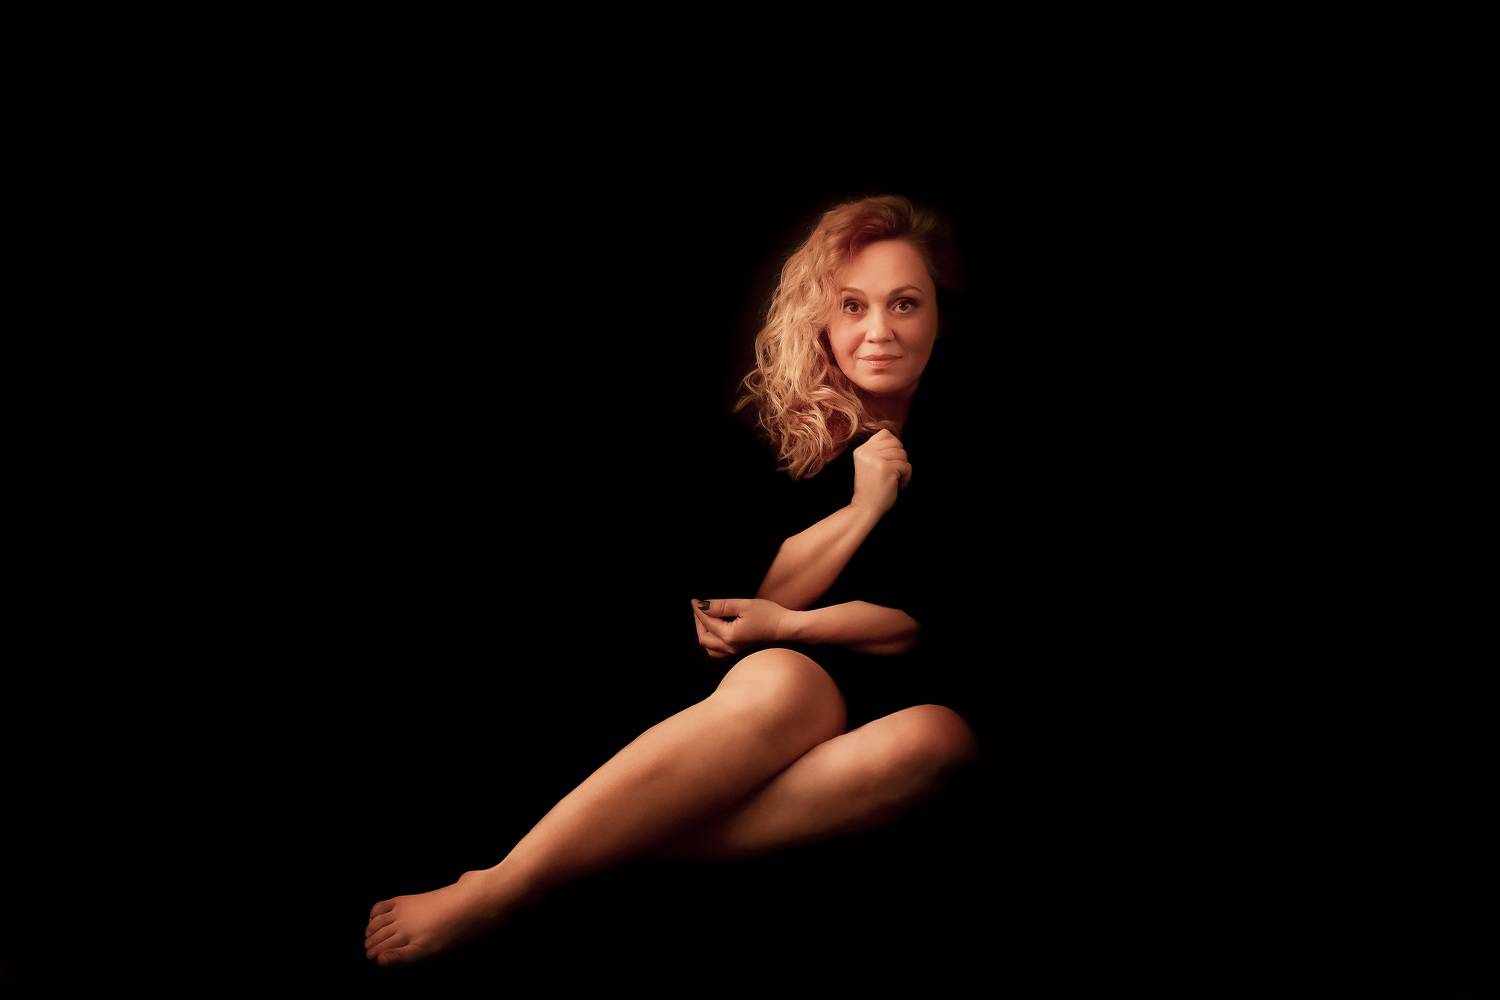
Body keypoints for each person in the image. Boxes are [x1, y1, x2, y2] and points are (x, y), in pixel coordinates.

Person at [363, 193, 981, 968]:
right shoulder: (768, 432)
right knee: (787, 681)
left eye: (904, 304)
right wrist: (862, 512)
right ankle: (503, 886)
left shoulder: (966, 438)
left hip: (885, 699)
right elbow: (729, 612)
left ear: (939, 317)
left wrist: (789, 623)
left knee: (941, 735)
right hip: (752, 696)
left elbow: (924, 620)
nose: (879, 330)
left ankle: (595, 852)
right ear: (821, 319)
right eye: (852, 305)